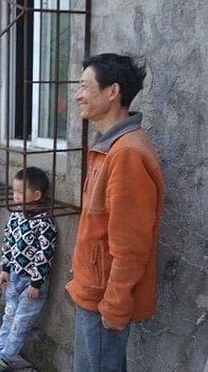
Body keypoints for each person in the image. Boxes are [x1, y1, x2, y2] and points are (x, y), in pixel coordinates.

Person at [66, 53, 164, 371]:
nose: (78, 94)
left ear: (112, 92)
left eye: (84, 86)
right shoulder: (111, 146)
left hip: (103, 299)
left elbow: (132, 243)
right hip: (94, 290)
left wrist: (115, 303)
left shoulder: (126, 154)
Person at [0, 167, 58, 372]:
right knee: (9, 315)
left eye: (20, 192)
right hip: (14, 277)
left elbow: (44, 254)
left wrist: (37, 283)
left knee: (21, 321)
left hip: (32, 284)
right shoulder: (16, 217)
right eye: (14, 191)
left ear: (36, 195)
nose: (15, 196)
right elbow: (8, 243)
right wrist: (5, 268)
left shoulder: (45, 224)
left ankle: (6, 358)